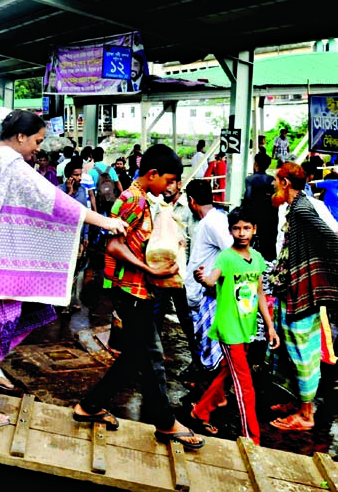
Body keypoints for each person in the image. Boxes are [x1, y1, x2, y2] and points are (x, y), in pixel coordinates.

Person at [0, 110, 127, 426]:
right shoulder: (7, 161)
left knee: (21, 319)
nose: (38, 148)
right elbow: (53, 200)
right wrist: (104, 221)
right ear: (21, 136)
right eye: (37, 141)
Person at [74, 145, 206, 450]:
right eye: (169, 180)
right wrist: (149, 268)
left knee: (135, 356)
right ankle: (166, 423)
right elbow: (114, 246)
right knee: (153, 357)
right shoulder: (132, 199)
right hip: (131, 291)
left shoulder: (145, 198)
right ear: (152, 175)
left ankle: (90, 406)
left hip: (139, 289)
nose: (172, 187)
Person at [268, 163, 338, 431]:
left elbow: (337, 243)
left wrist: (315, 278)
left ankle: (307, 414)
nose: (273, 185)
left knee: (302, 352)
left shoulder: (304, 209)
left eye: (275, 181)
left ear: (284, 182)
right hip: (290, 290)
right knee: (288, 349)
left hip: (301, 295)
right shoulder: (296, 206)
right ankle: (298, 402)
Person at [192, 207, 280, 445]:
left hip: (246, 328)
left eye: (246, 228)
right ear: (230, 230)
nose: (242, 233)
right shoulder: (226, 257)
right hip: (228, 328)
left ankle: (200, 411)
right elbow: (212, 278)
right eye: (237, 228)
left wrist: (270, 327)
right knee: (244, 385)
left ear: (254, 229)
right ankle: (253, 438)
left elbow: (260, 293)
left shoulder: (257, 258)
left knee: (227, 374)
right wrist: (203, 277)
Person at [184, 179, 233, 375]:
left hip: (207, 294)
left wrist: (214, 280)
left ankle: (210, 388)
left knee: (209, 347)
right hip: (200, 292)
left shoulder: (213, 222)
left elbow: (231, 253)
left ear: (191, 201)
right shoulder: (210, 221)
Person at [151, 178, 199, 374]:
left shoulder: (187, 210)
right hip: (161, 274)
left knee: (187, 320)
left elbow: (194, 244)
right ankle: (153, 359)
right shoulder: (158, 208)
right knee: (155, 316)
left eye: (171, 183)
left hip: (181, 277)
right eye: (166, 182)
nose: (167, 187)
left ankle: (198, 362)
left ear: (179, 184)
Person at [244, 152, 277, 261]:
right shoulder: (272, 180)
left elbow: (248, 197)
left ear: (255, 164)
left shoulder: (250, 179)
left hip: (255, 214)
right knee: (268, 242)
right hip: (270, 215)